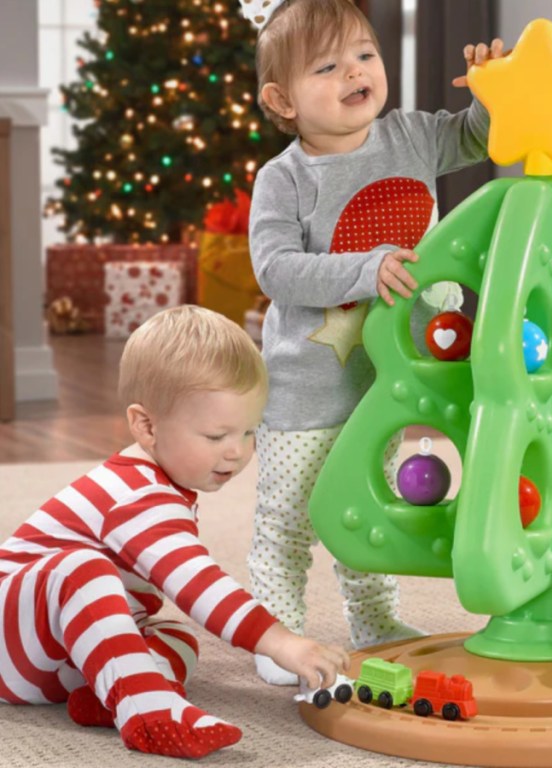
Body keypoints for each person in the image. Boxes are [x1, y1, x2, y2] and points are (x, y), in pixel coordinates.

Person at [242, 0, 504, 685]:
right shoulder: (285, 177)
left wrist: (495, 93)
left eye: (364, 54)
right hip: (309, 384)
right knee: (289, 516)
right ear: (282, 99)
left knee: (372, 506)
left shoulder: (413, 136)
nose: (355, 71)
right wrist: (365, 268)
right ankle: (277, 636)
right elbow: (273, 268)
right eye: (327, 66)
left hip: (392, 378)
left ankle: (375, 617)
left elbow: (482, 138)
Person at [0, 306, 349, 759]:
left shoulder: (166, 486)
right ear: (146, 426)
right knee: (81, 569)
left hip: (63, 657)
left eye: (248, 432)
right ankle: (151, 713)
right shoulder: (135, 494)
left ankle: (116, 695)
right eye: (214, 436)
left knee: (176, 635)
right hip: (11, 640)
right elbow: (198, 584)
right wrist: (283, 643)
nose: (236, 453)